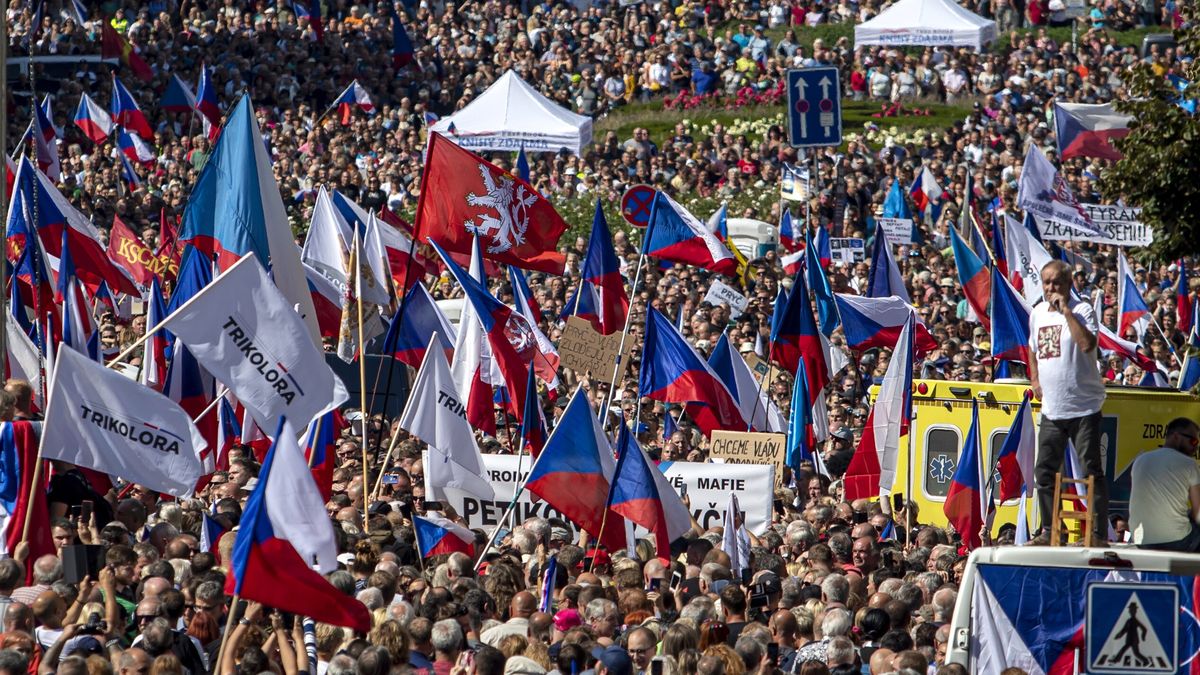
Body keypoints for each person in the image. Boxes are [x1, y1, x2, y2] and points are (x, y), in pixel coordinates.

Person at [1028, 260, 1108, 544]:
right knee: (1045, 471)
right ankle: (1051, 531)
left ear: (1069, 283)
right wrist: (1035, 380)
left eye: (1057, 283)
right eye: (1046, 282)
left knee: (1090, 471)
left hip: (1084, 407)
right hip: (1053, 408)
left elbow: (1087, 344)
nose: (1051, 288)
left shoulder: (1082, 310)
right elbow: (1033, 349)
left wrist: (1066, 311)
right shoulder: (1037, 313)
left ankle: (1097, 534)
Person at [1129, 417, 1200, 551]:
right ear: (1176, 436)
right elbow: (1199, 513)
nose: (1195, 446)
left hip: (1142, 541)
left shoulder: (1140, 460)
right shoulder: (1189, 464)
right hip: (1178, 542)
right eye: (1193, 440)